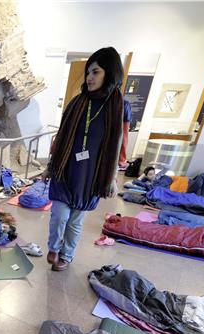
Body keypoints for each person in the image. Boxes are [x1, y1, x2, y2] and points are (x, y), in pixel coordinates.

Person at [45, 47, 124, 272]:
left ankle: (66, 255)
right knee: (59, 215)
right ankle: (54, 247)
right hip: (65, 169)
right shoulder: (77, 102)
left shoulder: (116, 107)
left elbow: (117, 144)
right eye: (88, 72)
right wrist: (50, 167)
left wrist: (112, 179)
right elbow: (61, 137)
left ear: (110, 74)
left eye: (96, 72)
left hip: (89, 175)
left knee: (75, 221)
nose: (89, 77)